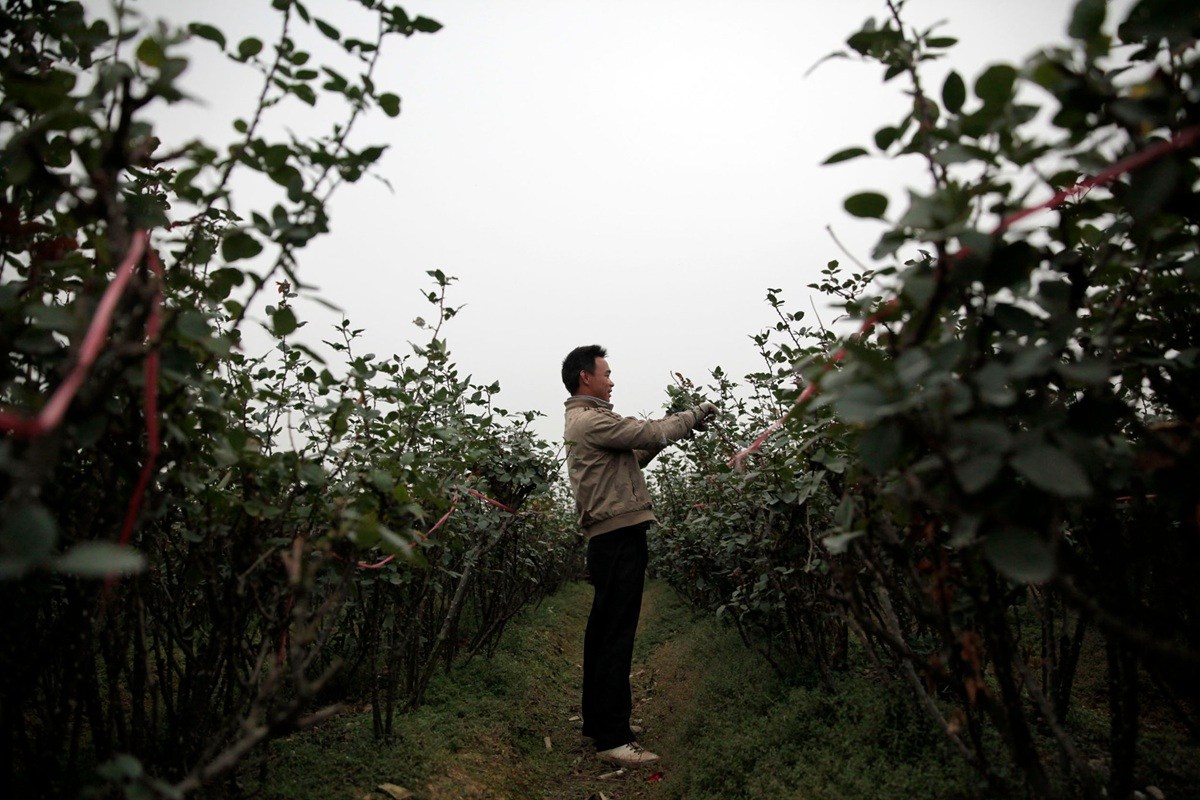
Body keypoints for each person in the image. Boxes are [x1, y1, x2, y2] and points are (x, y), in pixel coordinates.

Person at [560, 344, 717, 767]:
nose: (612, 380)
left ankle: (599, 722)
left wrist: (673, 432)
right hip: (618, 536)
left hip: (610, 537)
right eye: (606, 373)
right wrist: (693, 415)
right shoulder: (591, 419)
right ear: (584, 377)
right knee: (616, 634)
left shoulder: (587, 422)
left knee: (603, 630)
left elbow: (636, 454)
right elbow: (647, 433)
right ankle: (614, 737)